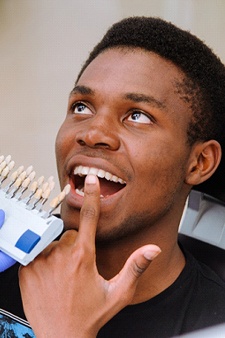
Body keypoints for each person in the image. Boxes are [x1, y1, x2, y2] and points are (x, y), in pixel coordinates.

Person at [1, 16, 225, 338]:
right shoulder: (7, 262)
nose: (93, 133)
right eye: (81, 107)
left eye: (137, 116)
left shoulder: (214, 324)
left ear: (199, 162)